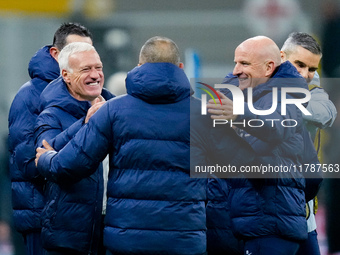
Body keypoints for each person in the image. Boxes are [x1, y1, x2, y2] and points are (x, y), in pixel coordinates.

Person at [35, 36, 209, 255]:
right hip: (185, 242)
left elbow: (69, 165)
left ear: (139, 66)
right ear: (180, 68)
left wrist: (46, 158)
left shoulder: (112, 111)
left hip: (127, 242)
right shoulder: (206, 115)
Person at [207, 36, 321, 255]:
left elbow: (275, 127)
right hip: (241, 223)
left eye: (244, 63)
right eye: (236, 62)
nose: (236, 70)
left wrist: (239, 116)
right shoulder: (236, 96)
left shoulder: (286, 96)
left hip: (268, 225)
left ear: (269, 67)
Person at [8, 22, 92, 255]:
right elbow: (27, 164)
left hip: (76, 219)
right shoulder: (29, 96)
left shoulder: (86, 94)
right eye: (75, 52)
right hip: (43, 218)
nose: (83, 59)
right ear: (56, 54)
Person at [34, 42, 114, 255]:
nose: (95, 75)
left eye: (98, 67)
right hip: (69, 234)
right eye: (86, 69)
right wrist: (85, 124)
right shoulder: (50, 114)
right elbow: (45, 155)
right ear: (66, 75)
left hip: (113, 230)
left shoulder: (115, 109)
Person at [281, 31, 337, 255]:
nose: (305, 74)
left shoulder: (313, 91)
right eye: (299, 65)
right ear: (282, 57)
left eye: (312, 69)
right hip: (264, 207)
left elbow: (325, 114)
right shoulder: (259, 83)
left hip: (302, 208)